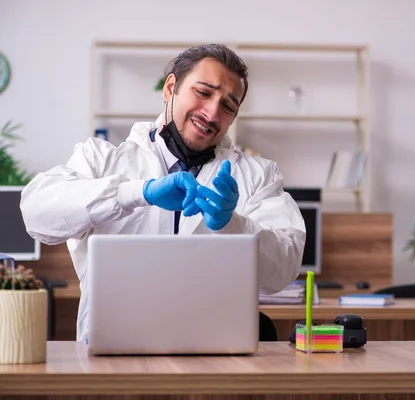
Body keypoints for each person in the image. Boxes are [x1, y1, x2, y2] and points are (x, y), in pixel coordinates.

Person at [20, 44, 306, 343]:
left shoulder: (257, 175)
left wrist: (233, 226)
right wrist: (135, 193)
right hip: (114, 348)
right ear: (171, 88)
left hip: (216, 356)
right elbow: (37, 214)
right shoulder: (102, 160)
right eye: (204, 93)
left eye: (228, 106)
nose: (212, 113)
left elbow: (282, 272)